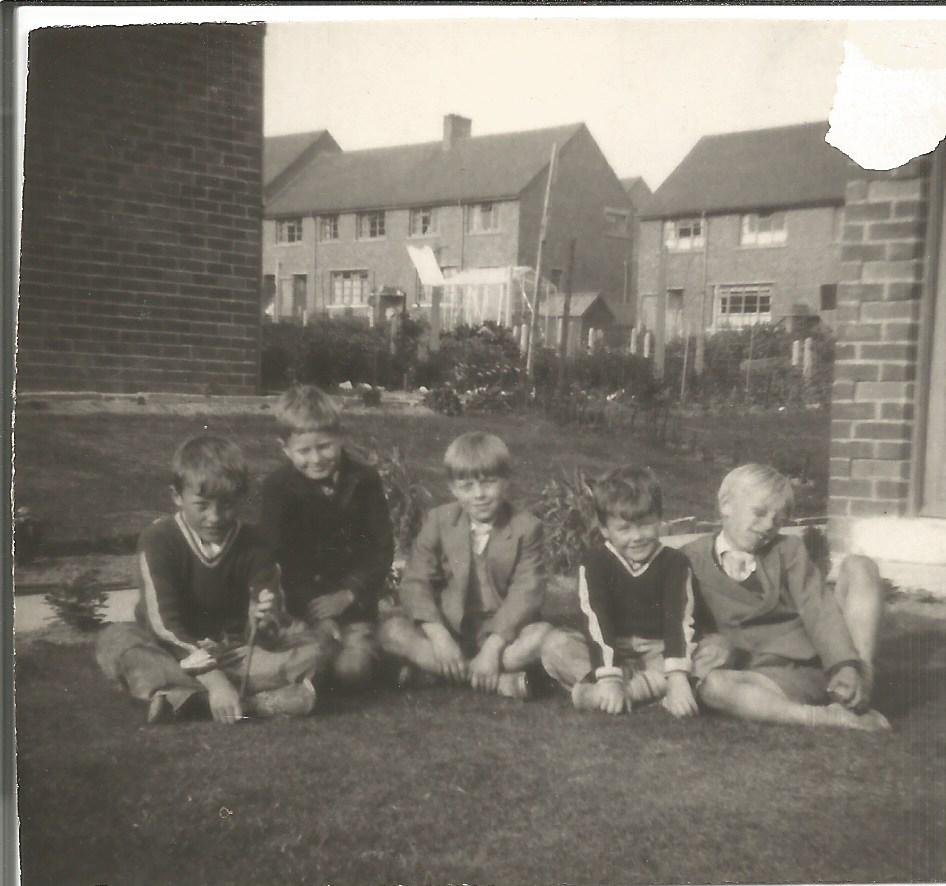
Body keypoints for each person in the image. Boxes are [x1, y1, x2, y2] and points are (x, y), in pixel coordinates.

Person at [96, 435, 332, 725]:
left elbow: (268, 621)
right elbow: (164, 625)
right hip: (174, 649)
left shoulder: (254, 543)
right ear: (176, 496)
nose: (215, 517)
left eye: (227, 505)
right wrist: (216, 681)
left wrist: (264, 617)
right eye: (202, 505)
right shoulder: (159, 539)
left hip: (233, 651)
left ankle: (182, 698)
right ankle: (250, 702)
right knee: (117, 639)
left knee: (316, 650)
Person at [683, 463, 890, 731]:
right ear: (726, 505)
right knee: (713, 688)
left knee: (860, 566)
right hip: (761, 675)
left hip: (814, 664)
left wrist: (843, 663)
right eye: (759, 513)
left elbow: (818, 607)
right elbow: (681, 620)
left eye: (778, 520)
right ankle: (825, 717)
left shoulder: (788, 550)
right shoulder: (689, 558)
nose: (769, 525)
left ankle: (859, 678)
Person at [379, 431, 561, 699]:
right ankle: (498, 682)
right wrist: (440, 637)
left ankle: (444, 673)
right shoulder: (439, 520)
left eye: (488, 483)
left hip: (503, 636)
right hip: (450, 631)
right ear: (453, 488)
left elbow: (527, 592)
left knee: (542, 636)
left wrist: (492, 648)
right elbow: (416, 581)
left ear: (506, 482)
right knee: (390, 631)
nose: (479, 495)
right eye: (467, 487)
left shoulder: (526, 527)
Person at [540, 465, 710, 716]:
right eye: (624, 529)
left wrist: (676, 676)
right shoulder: (595, 562)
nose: (637, 536)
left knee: (717, 649)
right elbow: (595, 619)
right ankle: (625, 687)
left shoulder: (675, 563)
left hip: (659, 649)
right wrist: (609, 676)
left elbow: (680, 620)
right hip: (613, 647)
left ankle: (620, 693)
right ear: (605, 529)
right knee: (555, 645)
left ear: (660, 519)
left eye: (645, 525)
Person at [260, 385, 394, 690]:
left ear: (340, 439)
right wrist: (313, 607)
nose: (316, 459)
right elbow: (273, 553)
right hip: (304, 607)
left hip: (353, 605)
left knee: (351, 673)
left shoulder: (364, 480)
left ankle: (383, 660)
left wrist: (349, 594)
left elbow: (381, 548)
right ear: (285, 449)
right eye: (304, 451)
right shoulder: (278, 487)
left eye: (324, 446)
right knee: (312, 660)